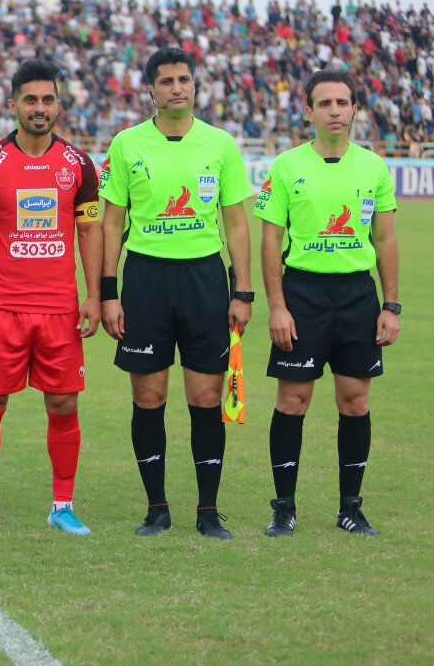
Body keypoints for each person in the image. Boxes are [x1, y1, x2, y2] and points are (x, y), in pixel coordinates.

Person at [100, 46, 253, 540]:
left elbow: (236, 222)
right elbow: (112, 222)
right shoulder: (126, 144)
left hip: (204, 280)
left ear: (194, 84)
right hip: (145, 279)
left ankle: (208, 511)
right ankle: (157, 509)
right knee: (149, 396)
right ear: (151, 89)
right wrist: (108, 292)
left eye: (183, 79)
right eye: (166, 81)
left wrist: (243, 291)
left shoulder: (220, 144)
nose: (176, 88)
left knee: (205, 396)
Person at [253, 69, 399, 537]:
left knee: (355, 401)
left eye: (342, 103)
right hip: (303, 295)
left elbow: (385, 240)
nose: (334, 111)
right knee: (292, 401)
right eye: (324, 104)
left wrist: (391, 305)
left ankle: (350, 509)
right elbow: (270, 241)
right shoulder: (286, 166)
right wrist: (278, 306)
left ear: (355, 110)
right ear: (309, 111)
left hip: (358, 296)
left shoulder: (374, 168)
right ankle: (284, 508)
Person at [0, 59, 102, 538]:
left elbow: (90, 232)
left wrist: (94, 296)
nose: (39, 108)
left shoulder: (79, 164)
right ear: (12, 105)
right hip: (1, 305)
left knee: (63, 405)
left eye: (47, 99)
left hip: (61, 307)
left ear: (58, 104)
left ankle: (62, 505)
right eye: (30, 100)